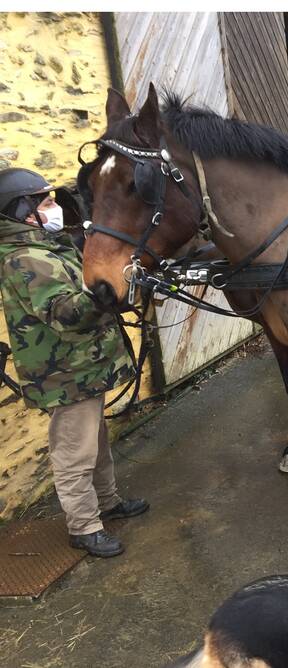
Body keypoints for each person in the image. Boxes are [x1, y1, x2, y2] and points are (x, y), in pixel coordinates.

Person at [0, 168, 147, 558]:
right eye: (45, 203)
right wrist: (108, 290)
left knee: (96, 445)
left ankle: (109, 502)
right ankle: (83, 526)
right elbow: (64, 313)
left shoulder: (50, 247)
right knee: (74, 454)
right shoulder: (25, 259)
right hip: (65, 374)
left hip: (83, 367)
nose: (54, 208)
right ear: (22, 212)